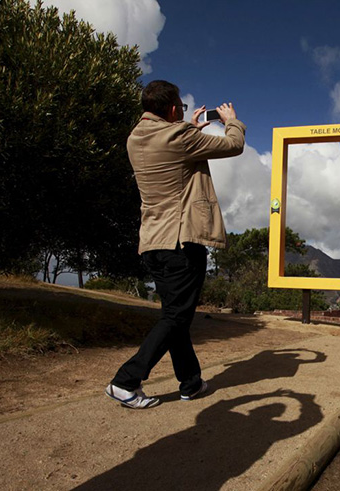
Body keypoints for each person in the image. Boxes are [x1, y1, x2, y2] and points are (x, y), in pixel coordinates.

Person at [105, 80, 245, 409]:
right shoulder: (181, 137)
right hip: (181, 241)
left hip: (152, 242)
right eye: (180, 108)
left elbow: (171, 144)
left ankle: (191, 382)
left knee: (175, 315)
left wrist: (186, 124)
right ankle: (125, 382)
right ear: (171, 109)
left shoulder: (134, 139)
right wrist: (231, 121)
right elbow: (234, 145)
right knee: (176, 318)